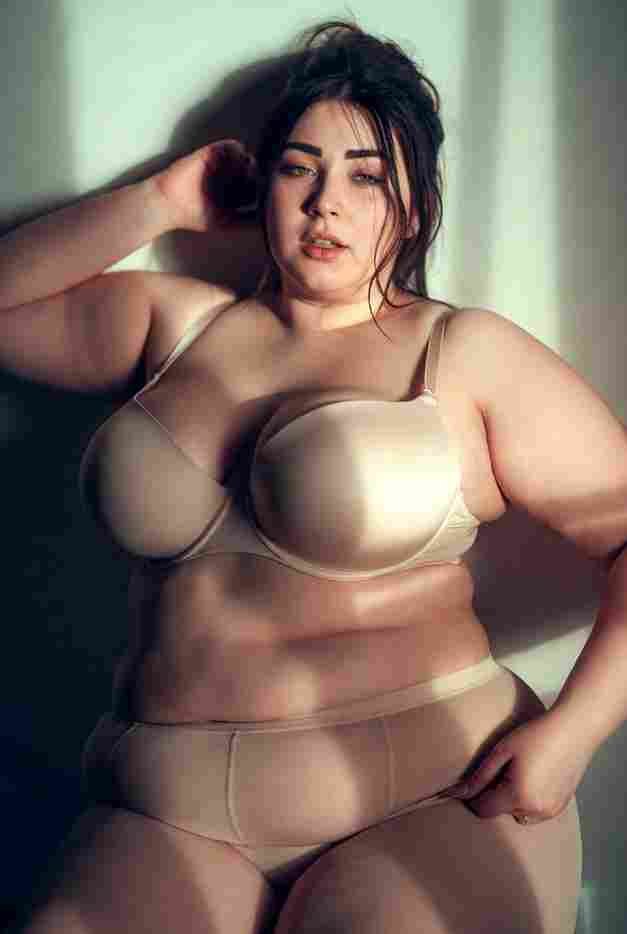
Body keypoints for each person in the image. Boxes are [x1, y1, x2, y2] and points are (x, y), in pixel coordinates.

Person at [2, 18, 626, 934]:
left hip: (428, 796)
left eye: (365, 176)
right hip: (167, 810)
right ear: (263, 186)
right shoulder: (172, 326)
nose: (325, 203)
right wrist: (158, 203)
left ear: (412, 205)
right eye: (299, 169)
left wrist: (573, 733)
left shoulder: (460, 353)